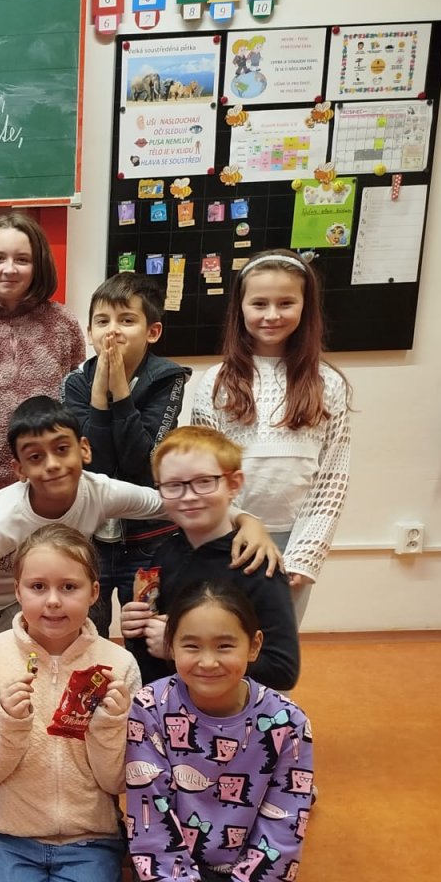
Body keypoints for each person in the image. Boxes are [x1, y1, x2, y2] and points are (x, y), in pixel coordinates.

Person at [0, 397, 278, 659]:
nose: (52, 465)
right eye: (35, 457)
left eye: (62, 449)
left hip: (35, 589)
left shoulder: (99, 492)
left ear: (84, 450)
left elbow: (170, 504)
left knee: (49, 658)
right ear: (19, 469)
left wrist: (245, 519)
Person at [0, 524, 138, 882]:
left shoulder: (119, 665)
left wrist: (109, 725)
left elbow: (117, 781)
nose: (53, 601)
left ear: (94, 591)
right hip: (10, 834)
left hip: (89, 837)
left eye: (69, 587)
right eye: (38, 587)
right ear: (17, 591)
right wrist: (8, 723)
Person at [126, 581, 315, 882]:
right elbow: (149, 814)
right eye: (191, 646)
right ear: (170, 646)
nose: (208, 662)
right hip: (170, 868)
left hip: (245, 869)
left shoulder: (288, 723)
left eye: (225, 646)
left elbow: (285, 822)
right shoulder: (150, 706)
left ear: (254, 645)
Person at [192, 250, 352, 621]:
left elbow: (333, 478)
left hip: (293, 542)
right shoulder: (216, 383)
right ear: (241, 307)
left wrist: (306, 551)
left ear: (305, 307)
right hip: (228, 538)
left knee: (277, 644)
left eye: (286, 303)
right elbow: (202, 473)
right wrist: (232, 524)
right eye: (259, 303)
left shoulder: (328, 384)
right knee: (223, 636)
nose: (272, 315)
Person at [121, 427, 301, 690]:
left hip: (228, 711)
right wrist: (136, 629)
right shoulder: (165, 553)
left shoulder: (255, 564)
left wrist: (178, 648)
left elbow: (282, 670)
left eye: (204, 481)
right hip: (167, 706)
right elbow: (152, 657)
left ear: (234, 484)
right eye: (173, 485)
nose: (189, 496)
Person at [61, 273, 191, 636]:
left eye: (127, 320)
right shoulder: (75, 382)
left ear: (153, 332)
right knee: (87, 632)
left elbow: (142, 459)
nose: (113, 331)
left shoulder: (167, 378)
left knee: (147, 633)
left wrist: (118, 389)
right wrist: (97, 394)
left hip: (150, 537)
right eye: (102, 321)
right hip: (91, 538)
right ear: (89, 331)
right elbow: (94, 463)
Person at [0, 212, 85, 514]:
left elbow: (76, 399)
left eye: (22, 259)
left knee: (49, 545)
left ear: (38, 265)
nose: (9, 269)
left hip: (50, 472)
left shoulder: (63, 324)